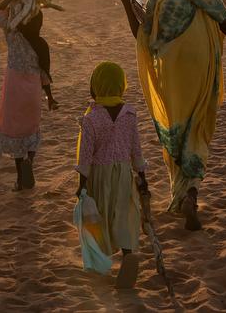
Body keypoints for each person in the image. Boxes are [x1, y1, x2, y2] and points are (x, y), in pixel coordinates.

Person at [117, 0, 226, 230]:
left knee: (177, 128)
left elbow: (143, 36)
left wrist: (126, 3)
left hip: (172, 78)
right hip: (200, 72)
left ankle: (183, 192)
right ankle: (191, 193)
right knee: (197, 127)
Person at [75, 61, 148, 289]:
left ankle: (101, 260)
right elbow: (136, 148)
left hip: (100, 176)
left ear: (95, 86)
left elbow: (85, 157)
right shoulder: (130, 114)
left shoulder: (90, 119)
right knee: (123, 217)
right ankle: (128, 255)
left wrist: (82, 184)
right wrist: (142, 174)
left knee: (100, 219)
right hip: (124, 175)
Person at [0, 9, 58, 191]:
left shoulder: (14, 39)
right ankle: (29, 160)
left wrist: (16, 2)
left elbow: (0, 10)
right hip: (33, 93)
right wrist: (50, 98)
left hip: (13, 92)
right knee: (31, 130)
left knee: (16, 132)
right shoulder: (41, 45)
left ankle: (19, 179)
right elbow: (44, 75)